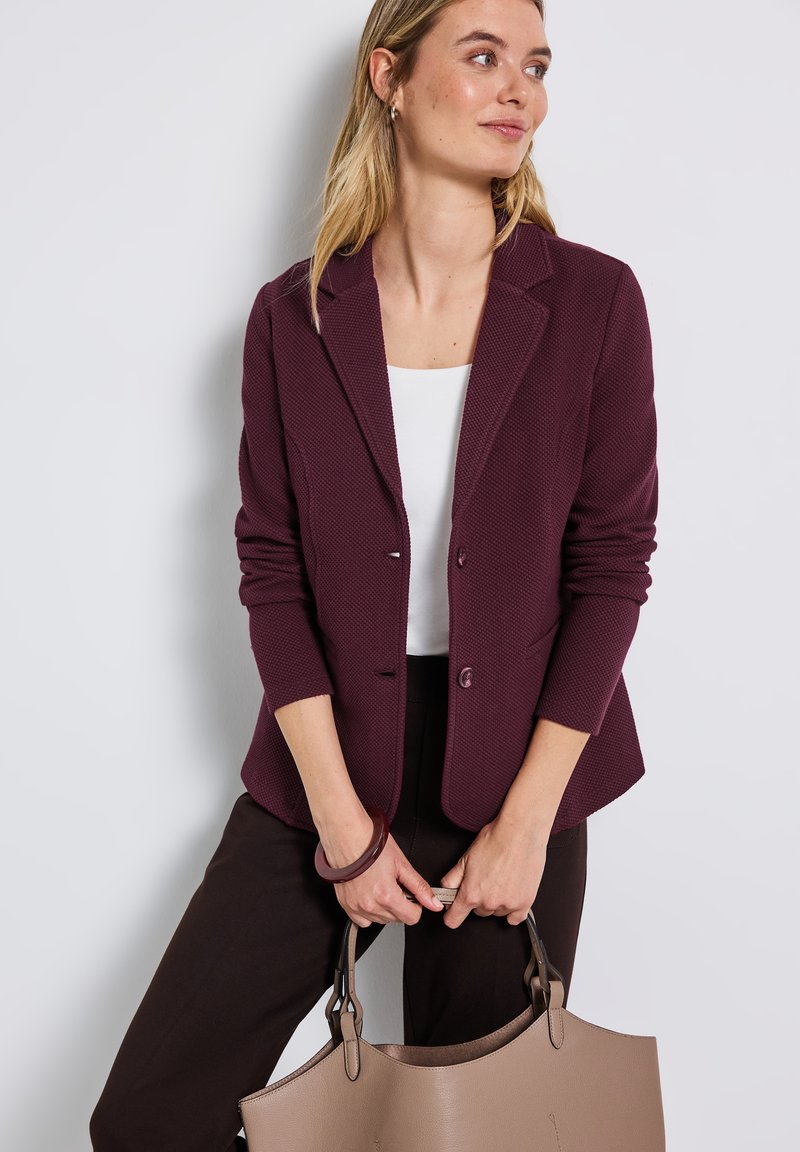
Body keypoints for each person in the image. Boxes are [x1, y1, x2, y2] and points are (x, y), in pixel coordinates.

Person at [89, 1, 658, 1148]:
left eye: (535, 64)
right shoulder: (293, 315)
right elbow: (271, 570)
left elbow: (610, 565)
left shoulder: (593, 301)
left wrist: (526, 824)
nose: (519, 89)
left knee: (475, 1131)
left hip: (522, 767)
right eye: (482, 57)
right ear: (388, 77)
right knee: (151, 1119)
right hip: (328, 762)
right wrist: (339, 826)